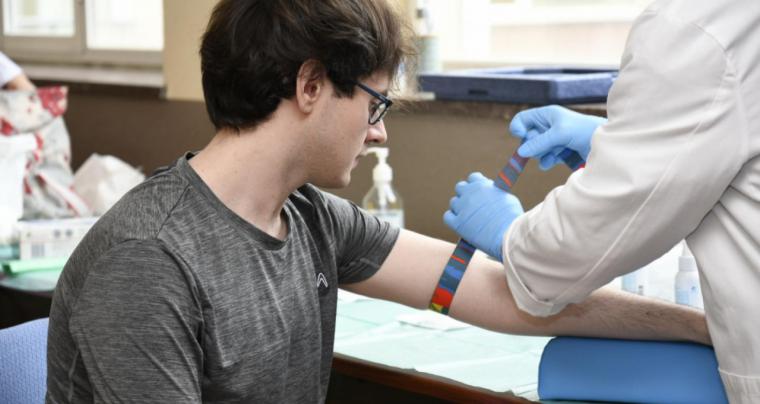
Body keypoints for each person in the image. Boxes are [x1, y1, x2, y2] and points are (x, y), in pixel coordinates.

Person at [46, 0, 709, 402]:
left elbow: (504, 294)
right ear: (311, 84)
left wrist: (710, 328)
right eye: (376, 102)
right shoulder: (147, 261)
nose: (381, 129)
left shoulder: (311, 218)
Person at [444, 0, 759, 402]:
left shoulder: (701, 24)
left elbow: (578, 250)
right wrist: (616, 140)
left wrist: (510, 236)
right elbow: (724, 130)